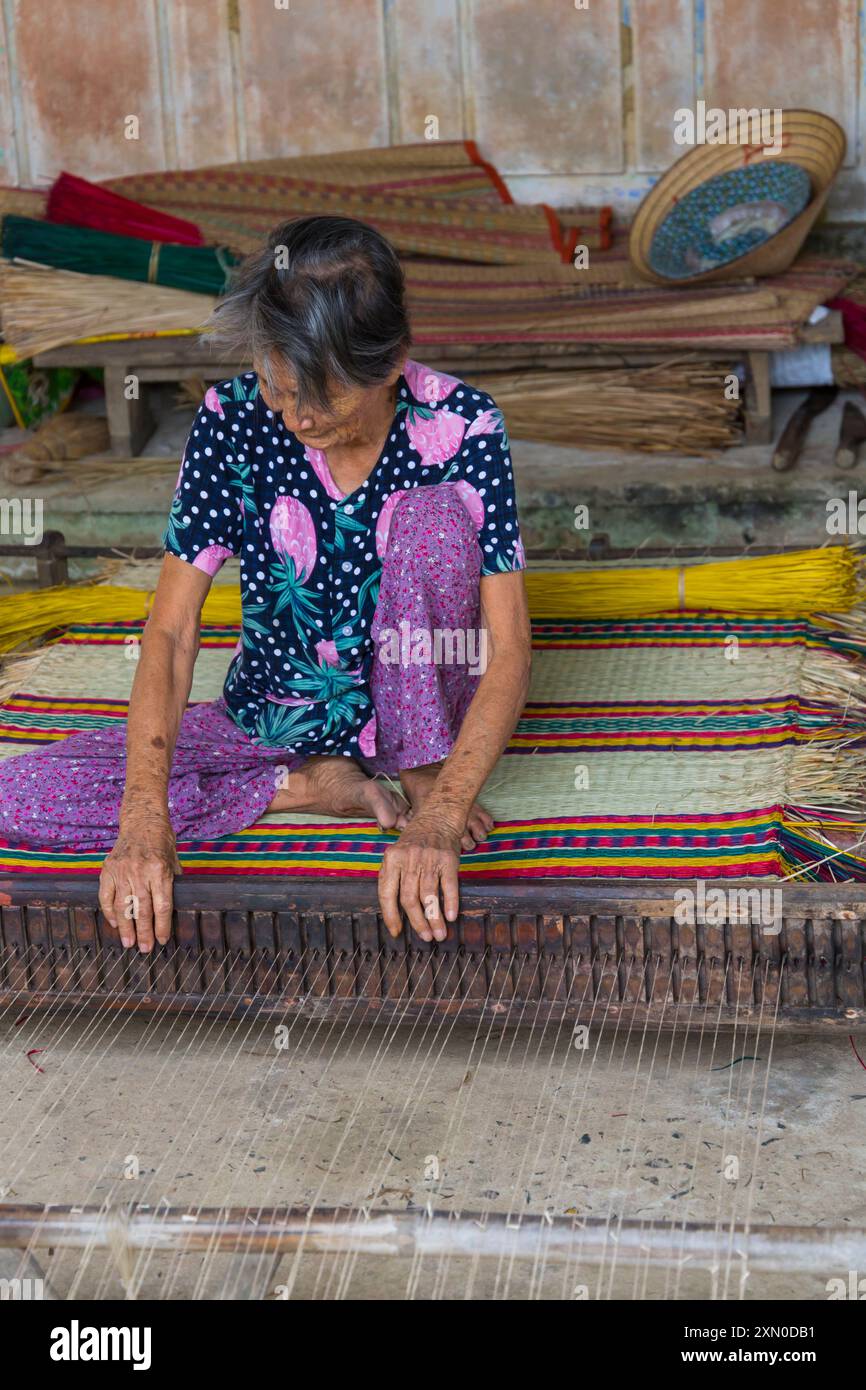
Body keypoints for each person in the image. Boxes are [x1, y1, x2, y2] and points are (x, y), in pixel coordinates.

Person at [0, 216, 531, 952]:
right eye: (282, 388)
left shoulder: (463, 426)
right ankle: (309, 785)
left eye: (324, 394)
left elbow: (509, 649)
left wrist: (442, 815)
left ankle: (421, 771)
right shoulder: (233, 421)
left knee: (434, 521)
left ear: (391, 363)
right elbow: (172, 630)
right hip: (273, 724)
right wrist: (143, 817)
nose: (299, 414)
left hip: (427, 722)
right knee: (19, 795)